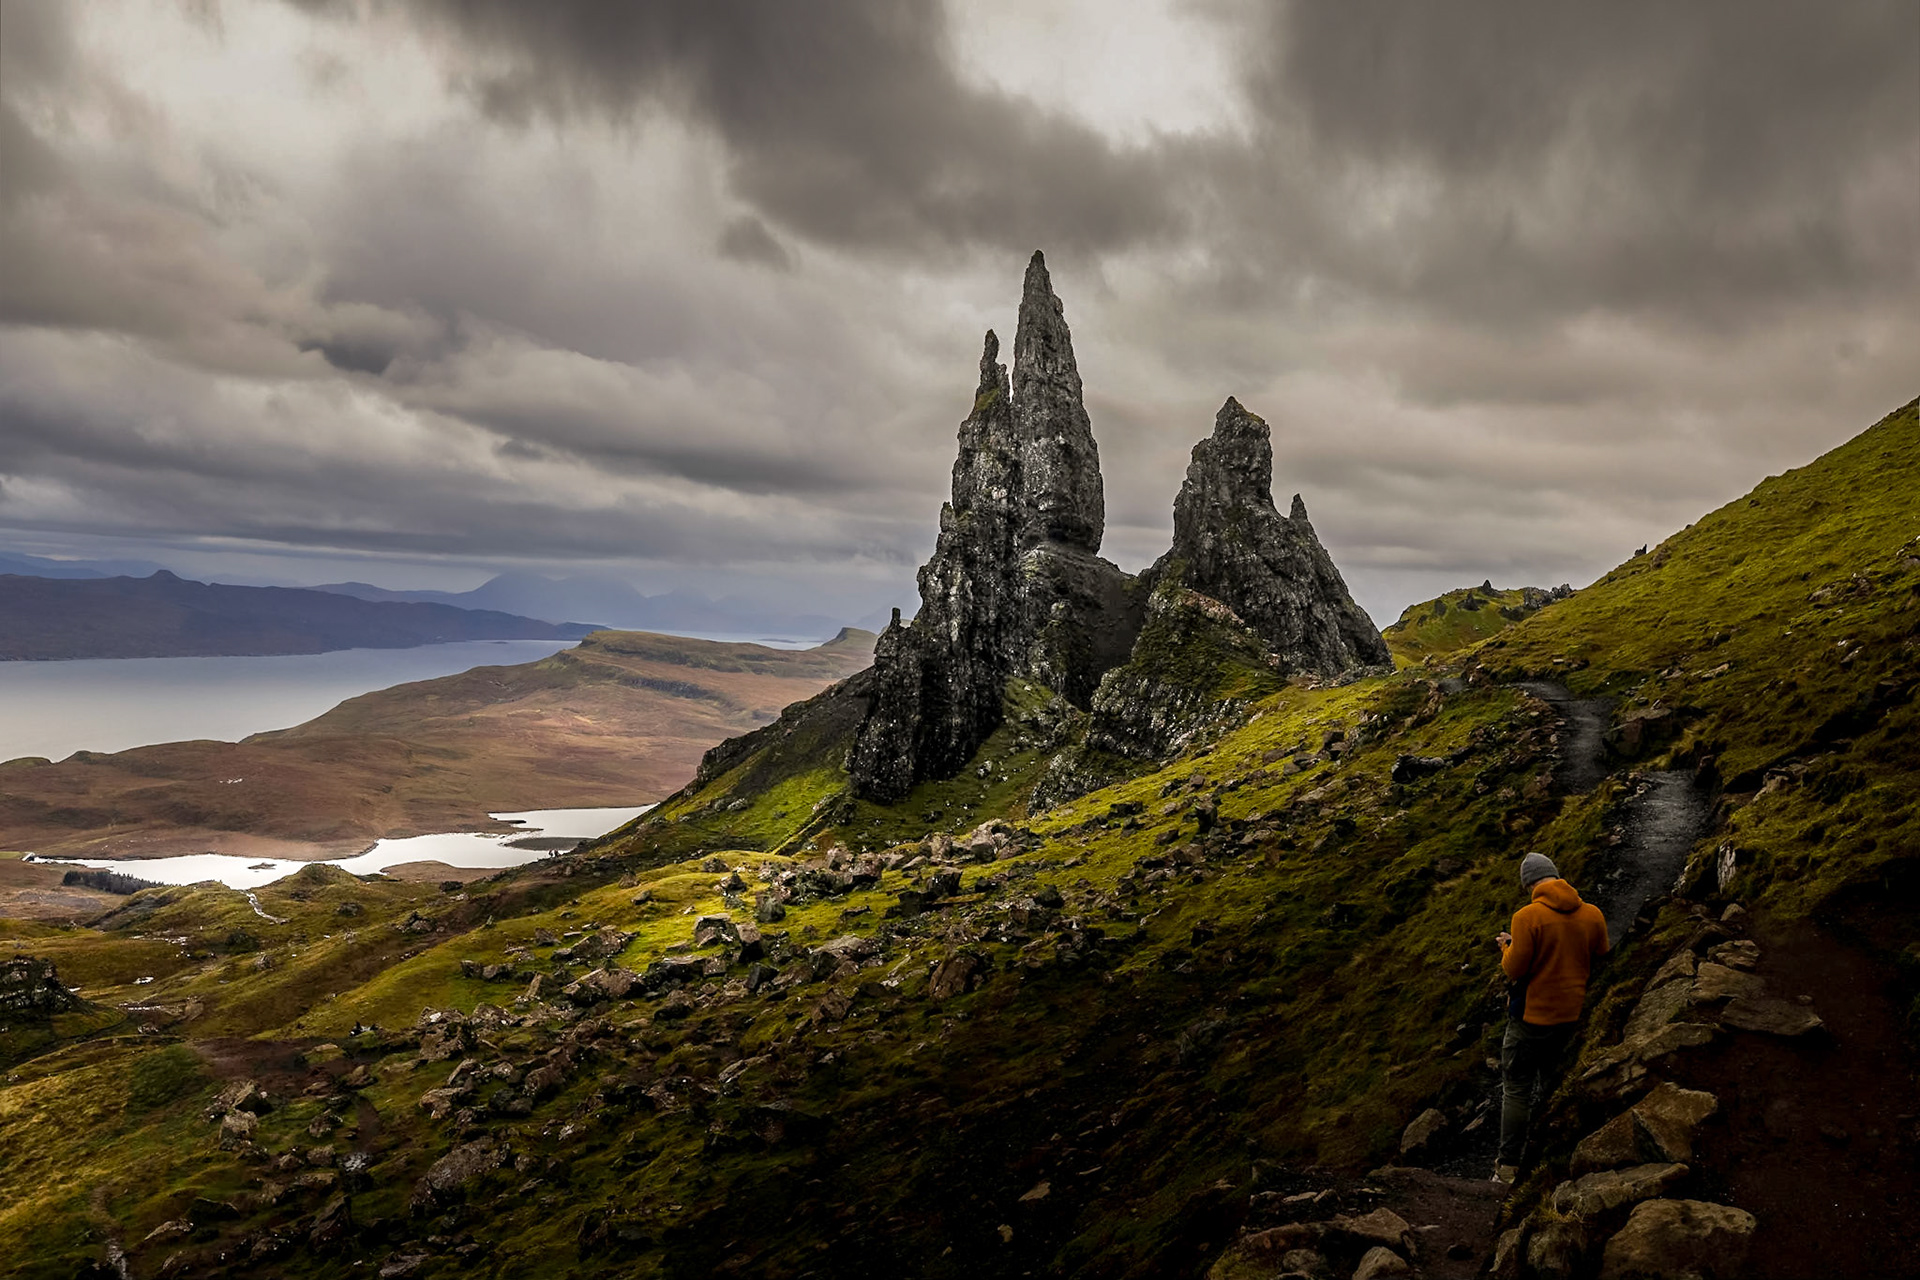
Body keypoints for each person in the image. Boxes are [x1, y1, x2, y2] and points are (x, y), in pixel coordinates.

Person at [1493, 851, 1610, 1184]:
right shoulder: (1592, 914)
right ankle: (1548, 1158)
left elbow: (1516, 969)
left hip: (1530, 1019)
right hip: (1572, 1017)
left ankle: (1508, 1168)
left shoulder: (1527, 917)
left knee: (1516, 1090)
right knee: (1553, 1086)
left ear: (1529, 884)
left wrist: (1506, 947)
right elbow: (1601, 956)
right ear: (1557, 877)